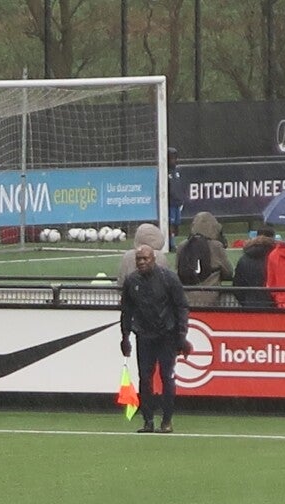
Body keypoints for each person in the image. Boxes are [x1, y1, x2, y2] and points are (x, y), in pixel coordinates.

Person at [118, 244, 190, 435]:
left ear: (153, 259)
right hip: (144, 336)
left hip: (167, 335)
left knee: (167, 377)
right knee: (145, 378)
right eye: (138, 259)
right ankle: (148, 420)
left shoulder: (168, 278)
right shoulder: (131, 281)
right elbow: (126, 311)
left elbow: (181, 307)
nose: (141, 262)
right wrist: (125, 336)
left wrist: (181, 335)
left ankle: (166, 421)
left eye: (145, 258)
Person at [175, 211, 233, 307]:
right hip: (210, 297)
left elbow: (178, 271)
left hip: (185, 297)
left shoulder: (182, 246)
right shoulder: (216, 246)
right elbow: (228, 273)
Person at [232, 228, 277, 308]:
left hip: (250, 304)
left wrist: (245, 301)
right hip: (274, 305)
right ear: (273, 237)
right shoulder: (276, 257)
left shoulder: (244, 258)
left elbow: (237, 285)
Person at [166, 148, 185, 235]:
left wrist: (181, 198)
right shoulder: (164, 172)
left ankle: (174, 238)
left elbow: (181, 185)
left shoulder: (178, 171)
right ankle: (170, 240)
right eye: (171, 158)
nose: (173, 160)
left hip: (178, 202)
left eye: (174, 158)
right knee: (171, 223)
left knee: (177, 224)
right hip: (170, 203)